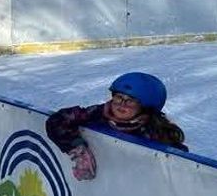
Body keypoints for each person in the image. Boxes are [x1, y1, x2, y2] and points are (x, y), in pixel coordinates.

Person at [46, 72, 187, 181]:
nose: (121, 104)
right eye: (118, 97)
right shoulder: (98, 113)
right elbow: (57, 120)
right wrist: (78, 149)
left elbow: (180, 165)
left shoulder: (155, 132)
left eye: (131, 101)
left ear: (145, 107)